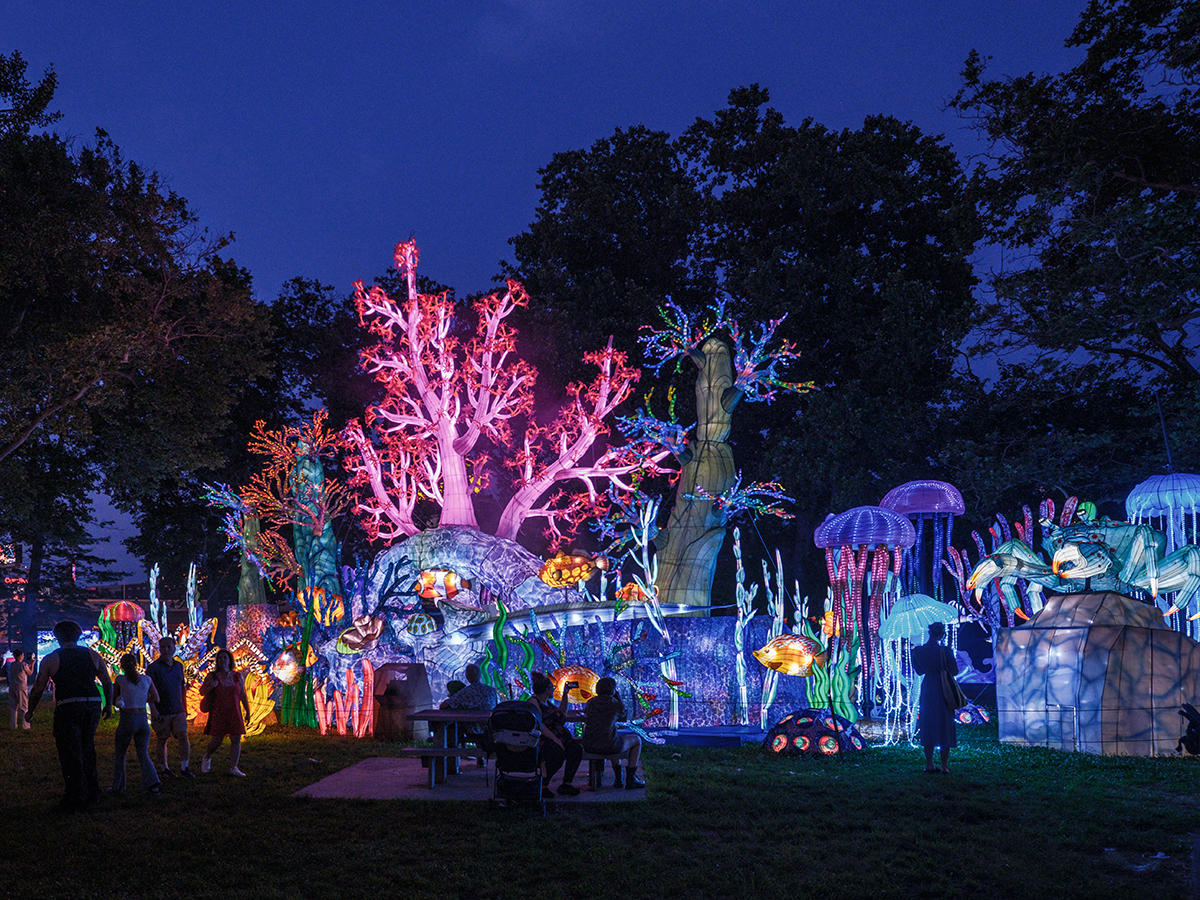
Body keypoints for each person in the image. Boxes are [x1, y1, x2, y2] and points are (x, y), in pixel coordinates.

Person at [26, 621, 113, 811]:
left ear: (57, 637)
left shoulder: (51, 659)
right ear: (78, 635)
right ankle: (93, 791)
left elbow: (38, 688)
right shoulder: (92, 655)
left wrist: (30, 710)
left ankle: (74, 795)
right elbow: (107, 681)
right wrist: (109, 705)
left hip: (68, 706)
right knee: (87, 747)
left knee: (70, 751)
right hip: (91, 704)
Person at [911, 621, 958, 774]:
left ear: (929, 632)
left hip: (928, 687)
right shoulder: (946, 651)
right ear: (941, 634)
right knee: (945, 723)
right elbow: (955, 671)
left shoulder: (917, 651)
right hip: (943, 688)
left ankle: (929, 764)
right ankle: (944, 765)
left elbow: (918, 671)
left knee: (927, 722)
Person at [111, 653, 161, 794]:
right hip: (143, 720)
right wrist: (142, 697)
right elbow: (156, 698)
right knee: (143, 754)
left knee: (120, 754)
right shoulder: (147, 680)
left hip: (128, 718)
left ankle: (118, 786)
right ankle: (152, 783)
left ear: (122, 666)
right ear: (136, 664)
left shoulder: (120, 680)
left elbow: (114, 700)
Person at [582, 676, 645, 789]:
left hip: (589, 744)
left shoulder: (591, 702)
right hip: (608, 745)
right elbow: (624, 717)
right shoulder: (615, 704)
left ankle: (619, 778)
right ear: (613, 690)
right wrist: (618, 698)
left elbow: (586, 712)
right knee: (636, 740)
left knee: (612, 738)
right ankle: (630, 778)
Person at [146, 636, 193, 778]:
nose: (166, 650)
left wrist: (184, 707)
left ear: (174, 648)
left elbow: (182, 687)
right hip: (162, 709)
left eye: (169, 647)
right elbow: (148, 689)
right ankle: (164, 768)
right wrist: (153, 708)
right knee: (162, 738)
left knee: (183, 736)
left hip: (177, 708)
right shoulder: (153, 668)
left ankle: (184, 768)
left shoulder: (179, 666)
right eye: (163, 647)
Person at [198, 649, 251, 777]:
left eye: (225, 658)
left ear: (229, 660)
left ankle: (234, 767)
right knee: (217, 739)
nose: (222, 660)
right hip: (219, 711)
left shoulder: (237, 676)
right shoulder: (212, 676)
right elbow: (202, 691)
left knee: (236, 738)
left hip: (234, 711)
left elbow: (242, 694)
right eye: (220, 658)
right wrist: (211, 686)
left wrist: (247, 711)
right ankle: (207, 756)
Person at [529, 670, 581, 797]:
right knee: (558, 754)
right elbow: (539, 724)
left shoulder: (547, 702)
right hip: (545, 739)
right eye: (552, 688)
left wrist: (566, 694)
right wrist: (555, 739)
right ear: (547, 690)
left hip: (559, 737)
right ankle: (543, 784)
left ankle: (566, 784)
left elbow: (561, 714)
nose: (553, 690)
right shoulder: (534, 702)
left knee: (576, 750)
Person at [7, 648, 33, 730]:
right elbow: (29, 672)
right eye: (22, 655)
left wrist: (29, 665)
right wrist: (33, 665)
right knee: (24, 707)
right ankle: (25, 726)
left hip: (12, 687)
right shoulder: (23, 665)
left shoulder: (12, 665)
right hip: (21, 688)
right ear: (20, 656)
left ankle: (13, 725)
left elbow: (22, 669)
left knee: (13, 708)